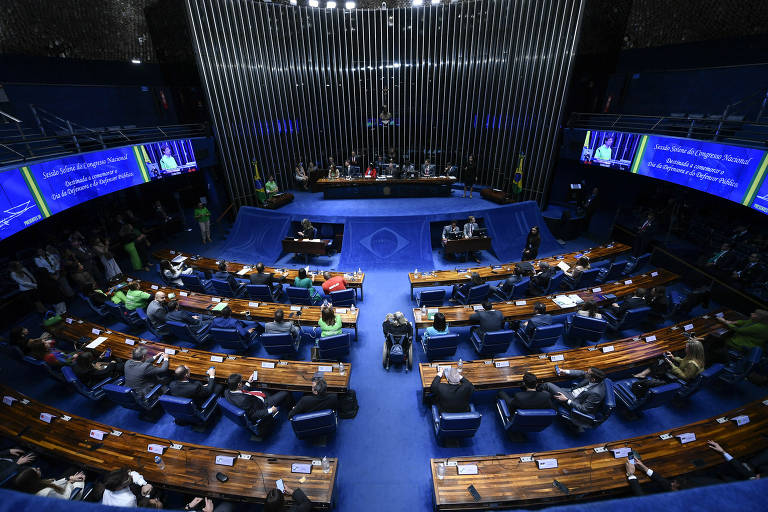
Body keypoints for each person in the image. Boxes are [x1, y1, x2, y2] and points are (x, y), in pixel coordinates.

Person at [632, 338, 706, 389]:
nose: (685, 349)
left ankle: (646, 374)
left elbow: (684, 377)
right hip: (681, 369)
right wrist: (673, 358)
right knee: (663, 360)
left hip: (679, 379)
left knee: (663, 362)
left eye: (687, 348)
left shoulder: (693, 364)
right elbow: (683, 361)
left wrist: (672, 365)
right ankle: (644, 373)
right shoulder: (695, 356)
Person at [541, 366, 607, 419]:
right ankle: (540, 402)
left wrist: (567, 400)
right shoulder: (594, 378)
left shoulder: (596, 393)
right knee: (548, 392)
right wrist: (564, 371)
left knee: (547, 385)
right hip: (571, 391)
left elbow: (584, 409)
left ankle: (532, 393)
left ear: (593, 379)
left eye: (587, 373)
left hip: (573, 400)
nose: (585, 373)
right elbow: (581, 373)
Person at [225, 373, 291, 422]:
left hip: (256, 397)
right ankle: (291, 410)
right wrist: (270, 410)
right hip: (264, 404)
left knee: (269, 386)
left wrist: (248, 382)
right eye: (241, 381)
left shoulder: (227, 392)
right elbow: (254, 414)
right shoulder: (243, 400)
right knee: (286, 392)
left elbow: (241, 391)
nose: (242, 382)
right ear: (239, 385)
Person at [13, 466, 86, 500]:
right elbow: (65, 498)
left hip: (62, 489)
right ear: (33, 479)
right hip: (70, 497)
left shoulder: (33, 487)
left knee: (74, 468)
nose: (38, 468)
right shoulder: (46, 492)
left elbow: (54, 484)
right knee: (83, 473)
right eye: (36, 470)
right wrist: (71, 482)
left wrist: (69, 479)